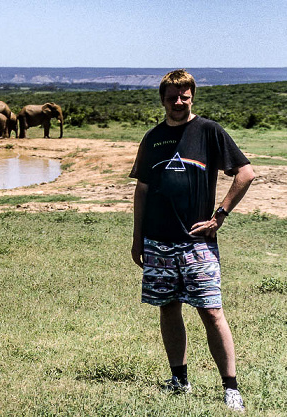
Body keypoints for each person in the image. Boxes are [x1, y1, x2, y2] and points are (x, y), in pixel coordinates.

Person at [130, 69, 255, 412]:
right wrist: (137, 238)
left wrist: (220, 215)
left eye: (184, 96)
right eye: (172, 97)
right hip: (157, 241)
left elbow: (246, 173)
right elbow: (141, 190)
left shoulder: (209, 131)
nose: (179, 102)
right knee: (168, 308)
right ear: (162, 100)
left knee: (212, 312)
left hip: (197, 242)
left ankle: (230, 387)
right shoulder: (152, 138)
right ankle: (179, 379)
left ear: (192, 97)